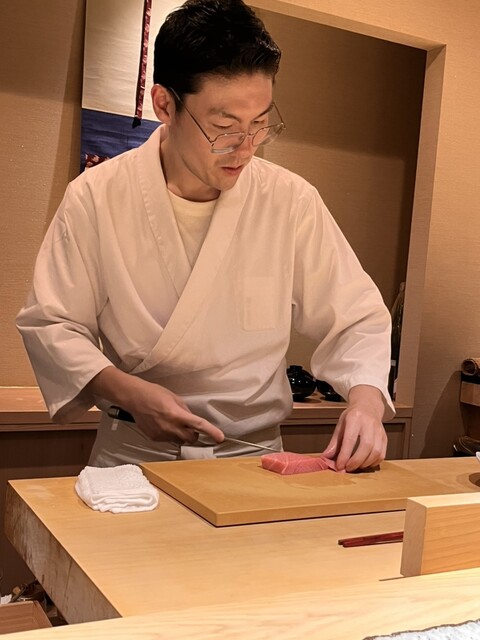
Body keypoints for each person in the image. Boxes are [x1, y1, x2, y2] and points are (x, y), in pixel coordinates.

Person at [16, 0, 394, 471]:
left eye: (260, 125)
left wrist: (366, 404)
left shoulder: (289, 200)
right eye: (224, 128)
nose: (246, 148)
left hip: (254, 457)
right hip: (133, 453)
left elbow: (356, 316)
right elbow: (52, 324)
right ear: (165, 105)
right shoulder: (96, 196)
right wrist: (126, 391)